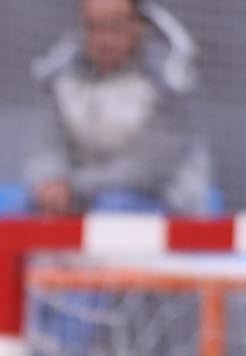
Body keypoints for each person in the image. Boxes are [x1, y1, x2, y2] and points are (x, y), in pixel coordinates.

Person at [23, 0, 214, 218]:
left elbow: (146, 167)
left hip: (161, 206)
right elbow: (45, 147)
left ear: (139, 25)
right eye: (93, 26)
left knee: (113, 208)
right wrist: (50, 182)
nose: (103, 39)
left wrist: (74, 188)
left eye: (114, 25)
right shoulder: (58, 75)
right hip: (80, 197)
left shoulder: (172, 78)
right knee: (26, 210)